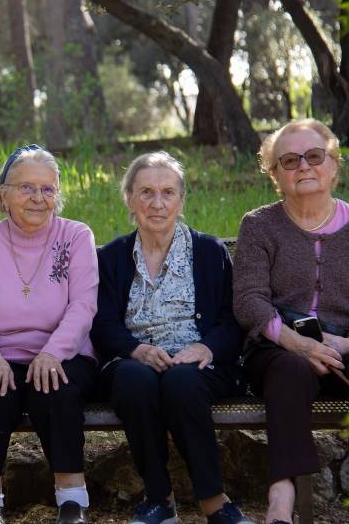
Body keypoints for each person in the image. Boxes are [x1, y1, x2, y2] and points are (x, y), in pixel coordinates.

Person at [233, 119, 349, 524]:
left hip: (348, 350)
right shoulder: (258, 225)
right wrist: (298, 343)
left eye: (314, 156)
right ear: (275, 174)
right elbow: (249, 300)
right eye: (289, 160)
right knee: (289, 370)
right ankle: (281, 500)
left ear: (334, 164)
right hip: (278, 351)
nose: (303, 167)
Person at [90, 152, 254, 524]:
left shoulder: (210, 252)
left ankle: (215, 502)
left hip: (199, 363)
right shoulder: (112, 256)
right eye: (145, 192)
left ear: (181, 200)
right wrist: (136, 349)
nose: (157, 203)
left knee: (182, 382)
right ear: (129, 198)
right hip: (133, 360)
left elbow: (233, 320)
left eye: (167, 192)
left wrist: (205, 348)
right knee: (135, 381)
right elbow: (101, 323)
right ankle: (159, 500)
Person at [0, 145, 98, 524]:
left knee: (54, 387)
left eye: (48, 189)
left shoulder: (76, 236)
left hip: (63, 353)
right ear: (4, 195)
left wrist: (53, 353)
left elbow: (83, 306)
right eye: (26, 188)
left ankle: (72, 497)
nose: (38, 198)